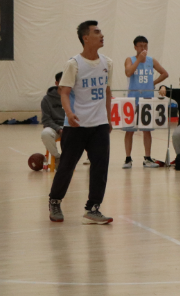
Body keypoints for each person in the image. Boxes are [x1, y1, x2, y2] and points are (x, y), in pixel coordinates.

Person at [48, 21, 114, 224]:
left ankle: (93, 208)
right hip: (76, 125)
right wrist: (69, 113)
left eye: (101, 31)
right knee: (67, 166)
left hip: (99, 125)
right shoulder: (73, 64)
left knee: (100, 167)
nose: (101, 35)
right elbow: (64, 93)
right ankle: (55, 201)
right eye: (97, 32)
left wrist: (109, 118)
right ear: (86, 38)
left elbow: (107, 92)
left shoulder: (107, 63)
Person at [123, 35, 169, 168]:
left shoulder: (151, 60)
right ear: (135, 47)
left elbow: (165, 73)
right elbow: (128, 73)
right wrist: (138, 60)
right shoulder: (130, 59)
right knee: (129, 130)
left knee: (147, 130)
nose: (143, 48)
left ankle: (147, 158)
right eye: (141, 46)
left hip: (147, 100)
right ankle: (128, 158)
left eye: (145, 46)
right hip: (132, 99)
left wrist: (153, 83)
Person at [41, 72, 64, 164]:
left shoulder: (75, 96)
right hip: (55, 128)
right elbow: (46, 120)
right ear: (57, 83)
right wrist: (58, 129)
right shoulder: (47, 99)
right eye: (63, 81)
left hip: (70, 127)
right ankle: (58, 158)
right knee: (45, 134)